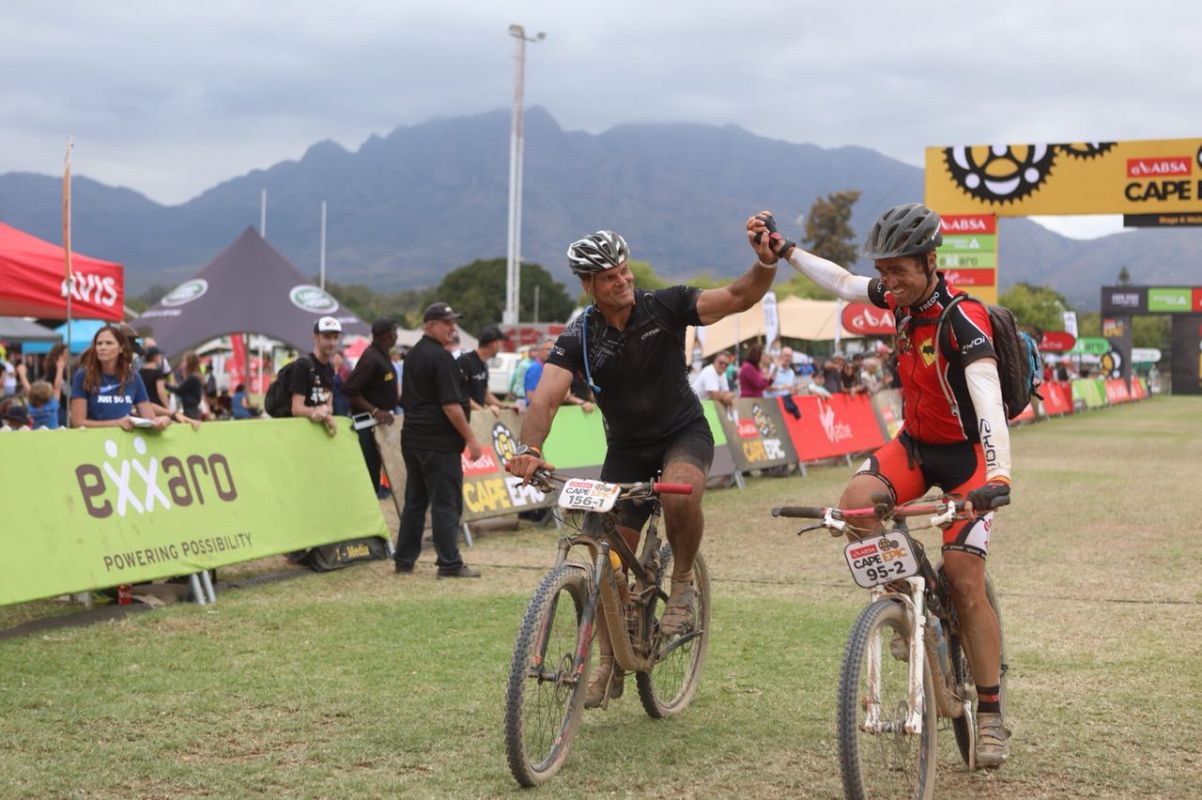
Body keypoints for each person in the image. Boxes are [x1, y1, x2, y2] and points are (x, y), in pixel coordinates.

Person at [751, 203, 1013, 768]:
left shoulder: (963, 318)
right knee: (855, 508)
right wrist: (787, 249)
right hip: (915, 446)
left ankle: (991, 712)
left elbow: (990, 403)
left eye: (900, 271)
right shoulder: (897, 300)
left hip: (967, 458)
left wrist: (998, 477)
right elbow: (843, 282)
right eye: (884, 271)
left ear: (931, 262)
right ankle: (906, 600)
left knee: (965, 580)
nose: (889, 282)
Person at [506, 226, 777, 708]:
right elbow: (545, 397)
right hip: (627, 449)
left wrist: (765, 262)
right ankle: (609, 661)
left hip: (683, 433)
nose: (623, 280)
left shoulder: (665, 306)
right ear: (588, 284)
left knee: (679, 490)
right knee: (606, 561)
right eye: (610, 277)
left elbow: (738, 296)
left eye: (625, 270)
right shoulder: (579, 336)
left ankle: (682, 582)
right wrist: (530, 447)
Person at [394, 302, 484, 579]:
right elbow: (451, 405)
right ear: (430, 325)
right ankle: (449, 564)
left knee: (415, 502)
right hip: (439, 442)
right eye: (447, 323)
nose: (452, 327)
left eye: (453, 322)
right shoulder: (442, 358)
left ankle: (404, 560)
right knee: (446, 504)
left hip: (413, 438)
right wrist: (472, 439)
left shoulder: (412, 355)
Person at [69, 324, 181, 430]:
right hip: (94, 441)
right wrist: (117, 423)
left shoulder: (133, 377)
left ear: (121, 348)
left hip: (124, 441)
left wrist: (165, 419)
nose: (102, 347)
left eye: (109, 343)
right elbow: (77, 422)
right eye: (99, 343)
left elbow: (150, 418)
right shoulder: (83, 376)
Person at [343, 318, 400, 498]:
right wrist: (375, 410)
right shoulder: (371, 358)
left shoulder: (381, 355)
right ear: (388, 335)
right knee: (369, 474)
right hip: (367, 427)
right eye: (395, 332)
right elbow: (350, 389)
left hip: (379, 425)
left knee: (375, 472)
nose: (397, 336)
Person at [290, 317, 341, 436]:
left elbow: (329, 407)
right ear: (315, 338)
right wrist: (315, 411)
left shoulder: (330, 368)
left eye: (335, 338)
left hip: (318, 434)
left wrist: (325, 413)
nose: (332, 343)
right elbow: (296, 408)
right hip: (298, 433)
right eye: (327, 337)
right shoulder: (304, 364)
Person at [457, 324, 512, 414]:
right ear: (494, 344)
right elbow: (461, 395)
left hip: (476, 417)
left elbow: (486, 395)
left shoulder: (483, 364)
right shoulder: (465, 361)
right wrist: (484, 412)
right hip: (465, 417)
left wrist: (506, 407)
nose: (501, 346)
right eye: (500, 342)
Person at [690, 351, 736, 415]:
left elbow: (726, 393)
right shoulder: (709, 371)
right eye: (721, 363)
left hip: (701, 406)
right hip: (692, 407)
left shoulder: (722, 373)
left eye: (726, 364)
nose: (723, 365)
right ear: (715, 361)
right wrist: (730, 394)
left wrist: (727, 395)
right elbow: (715, 396)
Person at [166, 351, 206, 420]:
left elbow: (179, 391)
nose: (182, 363)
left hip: (191, 410)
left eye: (184, 361)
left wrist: (165, 385)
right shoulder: (194, 376)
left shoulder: (192, 378)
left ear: (190, 363)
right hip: (192, 408)